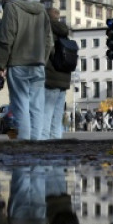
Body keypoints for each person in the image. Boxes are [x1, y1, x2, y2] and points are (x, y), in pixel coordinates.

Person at [0, 0, 53, 140]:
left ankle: (25, 144)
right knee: (37, 107)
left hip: (18, 64)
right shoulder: (42, 10)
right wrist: (42, 60)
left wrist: (1, 65)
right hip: (38, 65)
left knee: (21, 106)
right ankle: (37, 143)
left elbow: (6, 38)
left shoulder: (12, 7)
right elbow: (49, 41)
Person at [40, 8, 70, 140]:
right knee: (57, 115)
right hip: (64, 78)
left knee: (46, 113)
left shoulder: (47, 32)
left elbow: (48, 53)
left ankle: (44, 141)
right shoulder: (64, 33)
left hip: (51, 78)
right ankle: (57, 140)